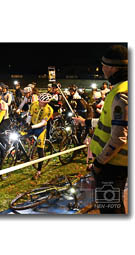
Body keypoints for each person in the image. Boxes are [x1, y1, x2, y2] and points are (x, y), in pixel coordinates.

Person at [73, 45, 128, 214]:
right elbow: (112, 123)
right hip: (112, 163)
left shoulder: (121, 94)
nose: (102, 69)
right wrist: (87, 122)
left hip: (112, 165)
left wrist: (98, 163)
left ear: (112, 67)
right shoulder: (121, 89)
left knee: (110, 209)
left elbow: (119, 137)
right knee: (113, 205)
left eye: (103, 65)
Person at [25, 93, 53, 180]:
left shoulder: (49, 109)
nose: (41, 104)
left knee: (40, 149)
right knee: (21, 135)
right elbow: (29, 115)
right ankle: (27, 150)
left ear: (47, 103)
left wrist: (32, 127)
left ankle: (39, 171)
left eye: (43, 103)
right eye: (40, 102)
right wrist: (27, 124)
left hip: (41, 129)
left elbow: (43, 123)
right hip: (32, 124)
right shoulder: (34, 104)